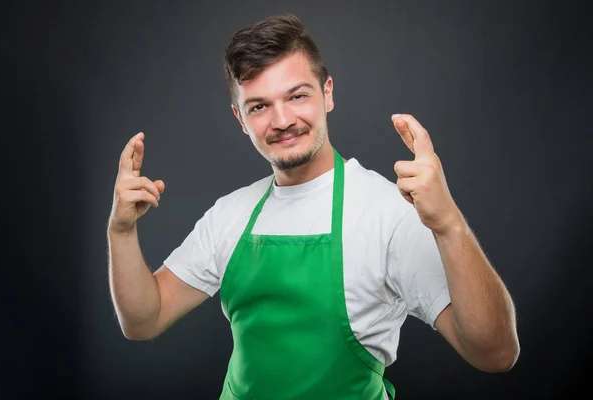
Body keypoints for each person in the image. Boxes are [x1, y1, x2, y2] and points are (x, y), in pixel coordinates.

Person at [107, 14, 520, 400]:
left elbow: (495, 354)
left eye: (297, 95)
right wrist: (121, 232)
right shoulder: (229, 215)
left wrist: (449, 224)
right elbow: (144, 320)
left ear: (327, 93)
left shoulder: (386, 212)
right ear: (239, 117)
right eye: (259, 106)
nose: (282, 119)